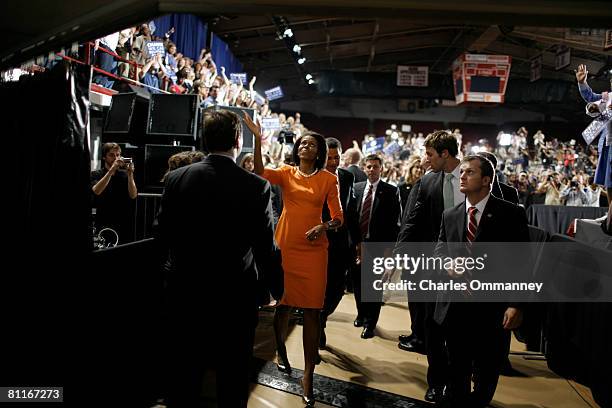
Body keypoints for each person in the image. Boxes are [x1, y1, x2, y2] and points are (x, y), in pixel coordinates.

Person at [156, 109, 283, 407]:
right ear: (238, 140)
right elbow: (265, 245)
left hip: (184, 290)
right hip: (235, 296)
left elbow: (162, 235)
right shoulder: (256, 186)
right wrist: (274, 288)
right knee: (233, 376)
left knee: (184, 374)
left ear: (205, 138)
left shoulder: (177, 178)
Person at [249, 114, 343, 407]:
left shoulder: (329, 179)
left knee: (313, 311)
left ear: (319, 151)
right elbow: (261, 170)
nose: (304, 147)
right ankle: (280, 349)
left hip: (314, 251)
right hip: (287, 245)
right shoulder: (286, 173)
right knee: (284, 304)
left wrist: (324, 226)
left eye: (310, 144)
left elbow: (339, 217)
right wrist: (257, 137)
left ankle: (308, 377)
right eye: (302, 143)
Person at [434, 155, 527, 408]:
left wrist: (516, 304)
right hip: (455, 305)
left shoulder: (511, 214)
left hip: (492, 308)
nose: (462, 176)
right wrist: (447, 265)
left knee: (486, 372)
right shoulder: (450, 215)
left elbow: (522, 264)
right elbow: (440, 251)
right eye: (461, 172)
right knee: (457, 369)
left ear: (486, 180)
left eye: (470, 173)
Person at [395, 130, 462, 403]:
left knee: (460, 329)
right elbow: (412, 220)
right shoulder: (427, 181)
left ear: (445, 154)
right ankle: (436, 382)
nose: (426, 159)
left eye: (430, 154)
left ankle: (460, 382)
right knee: (433, 327)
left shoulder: (476, 177)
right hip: (434, 266)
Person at [351, 154, 401, 339]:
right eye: (369, 166)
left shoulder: (390, 191)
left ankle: (370, 324)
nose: (372, 170)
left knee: (373, 286)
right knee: (357, 283)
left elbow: (394, 223)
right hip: (357, 245)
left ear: (381, 168)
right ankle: (361, 314)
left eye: (375, 167)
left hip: (378, 247)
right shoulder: (355, 188)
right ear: (364, 168)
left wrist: (390, 252)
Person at [319, 138, 360, 349]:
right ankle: (318, 325)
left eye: (336, 157)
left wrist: (358, 241)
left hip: (341, 244)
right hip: (318, 242)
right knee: (320, 289)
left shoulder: (347, 177)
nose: (333, 162)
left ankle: (322, 317)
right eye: (329, 157)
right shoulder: (313, 176)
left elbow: (351, 210)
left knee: (337, 290)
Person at [576, 64, 612, 204]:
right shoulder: (607, 97)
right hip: (608, 145)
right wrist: (582, 82)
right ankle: (610, 214)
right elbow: (590, 97)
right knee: (609, 182)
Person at [91, 142, 137, 244]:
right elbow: (96, 191)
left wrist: (130, 175)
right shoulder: (96, 174)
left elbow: (133, 195)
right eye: (111, 155)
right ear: (104, 157)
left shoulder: (124, 175)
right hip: (104, 220)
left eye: (118, 155)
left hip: (123, 221)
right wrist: (111, 171)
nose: (115, 158)